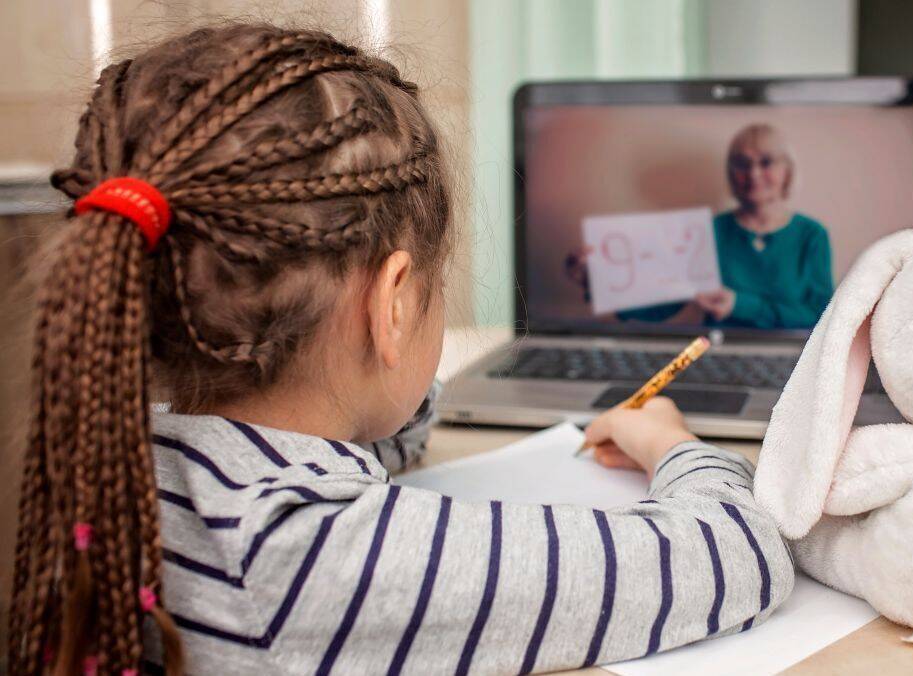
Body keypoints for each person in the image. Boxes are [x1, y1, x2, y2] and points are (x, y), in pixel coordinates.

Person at [6, 24, 793, 675]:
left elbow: (381, 437)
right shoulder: (319, 560)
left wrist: (381, 386)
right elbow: (738, 554)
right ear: (391, 304)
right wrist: (672, 443)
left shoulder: (113, 457)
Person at [579, 123, 834, 330]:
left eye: (766, 162)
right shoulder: (708, 232)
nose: (754, 174)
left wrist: (739, 305)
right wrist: (599, 281)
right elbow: (663, 304)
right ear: (731, 172)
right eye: (742, 164)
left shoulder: (811, 235)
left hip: (794, 358)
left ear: (787, 171)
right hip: (717, 352)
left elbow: (820, 316)